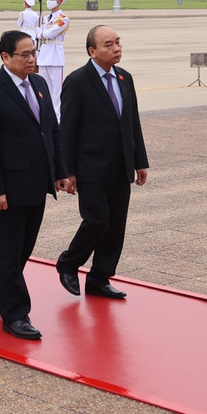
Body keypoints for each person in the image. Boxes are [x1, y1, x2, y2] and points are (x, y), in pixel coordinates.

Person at [0, 30, 69, 340]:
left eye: (33, 53)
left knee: (24, 249)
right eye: (24, 55)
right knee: (9, 253)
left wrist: (60, 172)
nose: (32, 59)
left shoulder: (39, 84)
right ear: (5, 57)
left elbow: (51, 131)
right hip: (7, 189)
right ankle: (15, 315)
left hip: (36, 183)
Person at [55, 25, 148, 301]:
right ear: (92, 51)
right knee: (97, 220)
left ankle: (99, 278)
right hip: (90, 168)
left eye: (118, 42)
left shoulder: (124, 77)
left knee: (116, 224)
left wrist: (140, 160)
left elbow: (132, 123)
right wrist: (67, 170)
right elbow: (67, 129)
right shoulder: (78, 81)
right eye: (108, 44)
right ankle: (69, 263)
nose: (116, 48)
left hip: (120, 166)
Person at [36, 0, 70, 118]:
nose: (49, 0)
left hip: (55, 55)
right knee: (44, 88)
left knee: (57, 90)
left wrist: (41, 33)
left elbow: (47, 34)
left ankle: (58, 117)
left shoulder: (63, 18)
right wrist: (41, 33)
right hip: (44, 54)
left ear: (58, 1)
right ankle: (46, 114)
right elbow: (38, 33)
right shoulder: (46, 18)